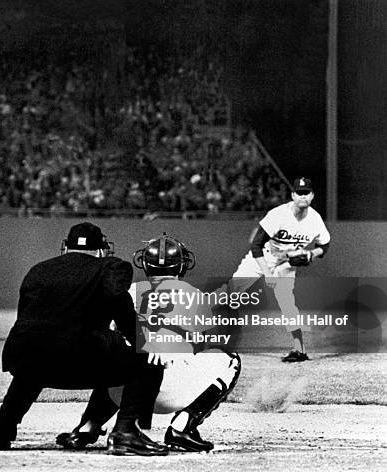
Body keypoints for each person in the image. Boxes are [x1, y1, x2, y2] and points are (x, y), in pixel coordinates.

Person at [0, 222, 169, 456]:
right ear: (101, 249)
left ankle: (1, 429)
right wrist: (145, 342)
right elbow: (121, 311)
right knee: (148, 360)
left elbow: (27, 321)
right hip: (81, 360)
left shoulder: (38, 269)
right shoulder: (110, 267)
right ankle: (125, 432)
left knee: (32, 362)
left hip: (25, 358)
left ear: (66, 247)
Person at [57, 233, 241, 453]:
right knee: (229, 359)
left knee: (114, 353)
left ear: (144, 264)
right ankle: (183, 427)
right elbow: (208, 342)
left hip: (123, 393)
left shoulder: (128, 292)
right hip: (173, 393)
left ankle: (87, 426)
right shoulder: (194, 295)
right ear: (182, 265)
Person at [227, 177, 330, 362]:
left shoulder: (315, 220)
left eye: (306, 193)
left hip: (286, 262)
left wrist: (312, 254)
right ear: (292, 195)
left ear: (312, 196)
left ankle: (299, 350)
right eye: (299, 192)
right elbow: (256, 245)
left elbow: (325, 245)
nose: (303, 196)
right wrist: (267, 273)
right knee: (230, 293)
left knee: (287, 303)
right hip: (262, 257)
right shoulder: (278, 214)